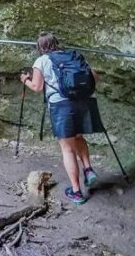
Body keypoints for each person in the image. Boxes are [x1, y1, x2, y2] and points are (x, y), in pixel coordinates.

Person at [20, 32, 100, 205]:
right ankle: (88, 169)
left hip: (61, 107)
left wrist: (25, 80)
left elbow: (37, 86)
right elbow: (95, 76)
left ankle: (77, 192)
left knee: (67, 149)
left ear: (40, 47)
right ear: (56, 43)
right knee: (79, 137)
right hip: (82, 102)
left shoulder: (41, 61)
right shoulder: (72, 56)